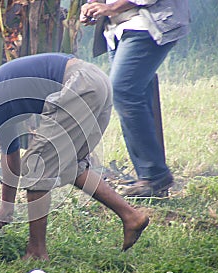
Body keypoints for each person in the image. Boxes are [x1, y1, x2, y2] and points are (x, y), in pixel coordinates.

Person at [0, 53, 149, 260]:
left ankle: (36, 251)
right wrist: (7, 206)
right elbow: (11, 153)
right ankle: (131, 217)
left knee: (36, 167)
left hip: (78, 84)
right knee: (69, 166)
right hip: (94, 81)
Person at [80, 0, 190, 197]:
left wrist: (112, 8)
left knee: (123, 91)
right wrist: (93, 6)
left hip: (145, 24)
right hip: (118, 29)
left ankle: (154, 175)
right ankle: (151, 177)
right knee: (136, 93)